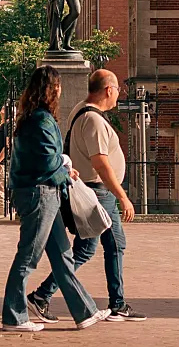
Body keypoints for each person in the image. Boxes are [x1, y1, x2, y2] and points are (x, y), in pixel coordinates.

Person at [25, 69, 144, 322]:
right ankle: (42, 295)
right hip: (99, 193)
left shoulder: (82, 109)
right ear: (108, 90)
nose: (119, 96)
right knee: (87, 249)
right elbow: (100, 162)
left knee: (113, 245)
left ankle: (117, 302)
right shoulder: (94, 121)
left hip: (99, 192)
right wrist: (122, 196)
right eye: (117, 91)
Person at [0, 66, 101, 332]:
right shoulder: (42, 120)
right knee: (29, 255)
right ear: (52, 88)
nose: (61, 89)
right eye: (58, 85)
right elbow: (47, 161)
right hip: (40, 193)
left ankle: (84, 312)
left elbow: (46, 158)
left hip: (43, 192)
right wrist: (65, 170)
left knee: (62, 255)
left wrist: (62, 167)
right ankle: (14, 316)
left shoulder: (31, 117)